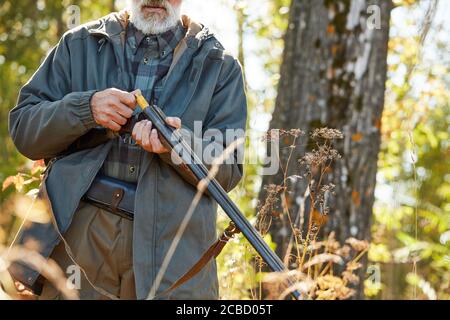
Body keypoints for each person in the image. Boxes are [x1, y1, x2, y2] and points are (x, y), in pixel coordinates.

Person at [8, 0, 247, 300]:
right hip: (79, 237)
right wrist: (86, 108)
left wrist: (175, 145)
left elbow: (228, 170)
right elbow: (24, 130)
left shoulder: (221, 66)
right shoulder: (77, 44)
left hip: (171, 251)